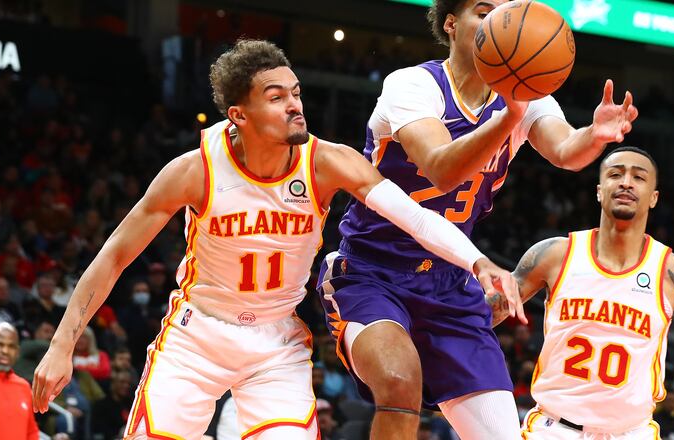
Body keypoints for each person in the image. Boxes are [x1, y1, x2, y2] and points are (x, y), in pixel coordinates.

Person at [32, 39, 520, 440]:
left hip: (276, 341)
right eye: (276, 97)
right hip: (198, 334)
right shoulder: (193, 170)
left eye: (296, 92)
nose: (295, 106)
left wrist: (479, 263)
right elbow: (114, 255)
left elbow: (416, 218)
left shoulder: (329, 162)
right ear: (238, 115)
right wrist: (61, 345)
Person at [317, 1, 638, 438]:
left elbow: (566, 152)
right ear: (451, 24)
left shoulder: (528, 99)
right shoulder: (413, 85)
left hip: (450, 283)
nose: (497, 21)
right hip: (373, 271)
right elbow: (440, 169)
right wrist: (509, 119)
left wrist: (594, 135)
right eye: (484, 10)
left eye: (506, 10)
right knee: (399, 381)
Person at [494, 147, 674, 438]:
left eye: (639, 177)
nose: (626, 182)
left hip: (631, 432)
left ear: (654, 197)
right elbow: (482, 316)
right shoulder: (555, 255)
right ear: (598, 190)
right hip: (555, 428)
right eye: (615, 174)